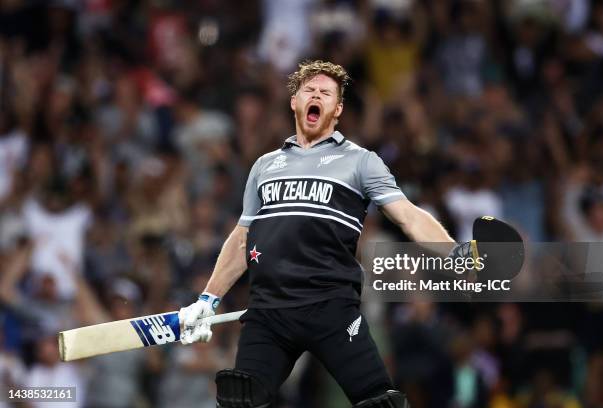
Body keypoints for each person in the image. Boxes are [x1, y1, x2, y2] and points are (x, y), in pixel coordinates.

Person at [179, 60, 460, 408]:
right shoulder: (265, 166)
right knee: (240, 401)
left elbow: (408, 216)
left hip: (331, 308)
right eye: (309, 90)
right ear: (294, 102)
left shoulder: (361, 161)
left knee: (380, 403)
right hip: (269, 312)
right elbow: (241, 237)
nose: (316, 96)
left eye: (326, 93)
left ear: (338, 109)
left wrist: (454, 253)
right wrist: (208, 298)